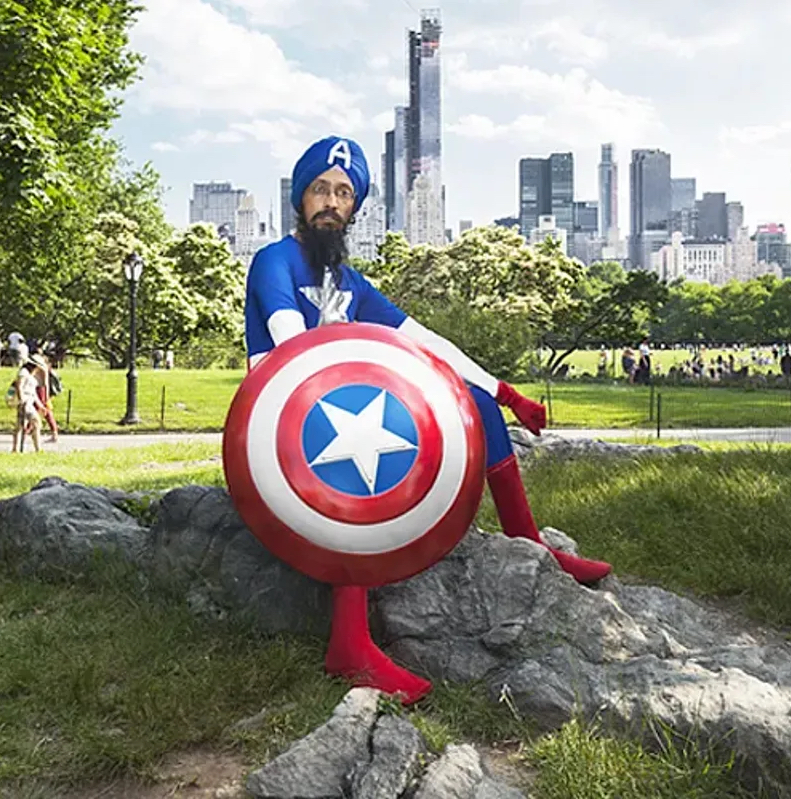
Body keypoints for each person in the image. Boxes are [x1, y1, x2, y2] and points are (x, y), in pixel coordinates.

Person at [244, 135, 612, 704]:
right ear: (301, 198)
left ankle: (530, 541)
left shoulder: (351, 284)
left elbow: (423, 340)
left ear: (355, 208)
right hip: (272, 434)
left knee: (473, 403)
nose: (331, 202)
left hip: (328, 404)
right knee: (353, 454)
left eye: (344, 193)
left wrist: (503, 391)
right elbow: (293, 349)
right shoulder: (274, 261)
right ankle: (348, 643)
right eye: (320, 189)